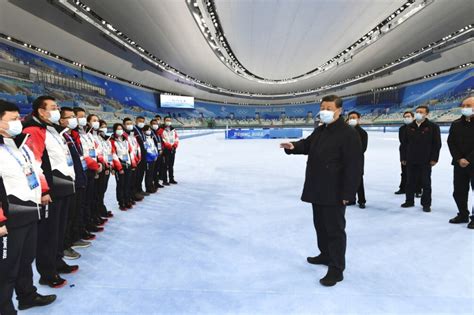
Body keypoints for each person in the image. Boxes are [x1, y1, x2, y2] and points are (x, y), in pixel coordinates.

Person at [280, 95, 363, 287]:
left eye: (328, 107)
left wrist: (348, 194)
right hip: (318, 188)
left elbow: (354, 167)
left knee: (335, 230)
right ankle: (325, 254)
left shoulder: (348, 134)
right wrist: (293, 147)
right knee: (321, 226)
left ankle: (336, 268)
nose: (324, 110)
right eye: (322, 107)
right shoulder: (321, 129)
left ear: (339, 110)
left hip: (335, 191)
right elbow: (307, 144)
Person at [0, 100, 56, 314]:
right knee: (7, 267)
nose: (18, 123)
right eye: (12, 120)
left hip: (30, 209)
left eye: (18, 118)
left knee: (25, 259)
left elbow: (36, 169)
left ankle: (27, 295)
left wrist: (43, 190)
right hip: (11, 215)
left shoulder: (19, 144)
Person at [23, 96, 78, 288]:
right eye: (53, 107)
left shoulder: (52, 129)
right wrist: (45, 190)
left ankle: (57, 261)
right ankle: (47, 272)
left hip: (63, 186)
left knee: (59, 230)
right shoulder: (33, 130)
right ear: (41, 111)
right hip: (51, 190)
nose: (57, 110)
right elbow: (34, 163)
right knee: (48, 233)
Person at [59, 108, 90, 261]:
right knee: (68, 216)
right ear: (61, 120)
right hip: (68, 182)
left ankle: (73, 238)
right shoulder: (62, 136)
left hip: (79, 177)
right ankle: (65, 245)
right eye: (70, 117)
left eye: (74, 117)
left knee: (76, 211)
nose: (75, 120)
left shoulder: (71, 136)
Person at [400, 105, 442, 212]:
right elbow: (404, 144)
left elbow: (437, 144)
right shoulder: (409, 127)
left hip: (426, 160)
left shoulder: (433, 127)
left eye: (421, 112)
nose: (418, 113)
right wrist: (403, 157)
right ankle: (409, 201)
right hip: (411, 159)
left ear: (426, 114)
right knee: (410, 181)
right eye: (417, 111)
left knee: (426, 183)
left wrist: (434, 158)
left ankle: (426, 204)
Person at [73, 107, 103, 235]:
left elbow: (95, 149)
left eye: (84, 117)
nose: (83, 119)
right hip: (83, 169)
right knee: (82, 202)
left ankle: (88, 222)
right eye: (80, 117)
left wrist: (98, 162)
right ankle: (82, 227)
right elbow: (80, 153)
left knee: (89, 198)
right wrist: (93, 163)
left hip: (92, 169)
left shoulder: (88, 133)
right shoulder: (74, 134)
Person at [447, 96, 474, 229]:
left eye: (468, 106)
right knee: (459, 191)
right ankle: (463, 214)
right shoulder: (456, 123)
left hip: (472, 163)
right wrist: (459, 159)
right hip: (459, 164)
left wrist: (468, 159)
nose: (465, 108)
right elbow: (451, 142)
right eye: (463, 106)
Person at [395, 111, 422, 197]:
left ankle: (418, 190)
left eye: (408, 116)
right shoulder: (402, 129)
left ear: (413, 117)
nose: (406, 118)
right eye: (405, 117)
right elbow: (402, 142)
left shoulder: (418, 127)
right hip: (405, 153)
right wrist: (403, 157)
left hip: (416, 154)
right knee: (404, 172)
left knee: (417, 173)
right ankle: (403, 188)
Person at [346, 111, 368, 209]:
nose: (352, 119)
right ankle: (351, 199)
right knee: (347, 180)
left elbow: (363, 148)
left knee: (359, 181)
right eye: (350, 117)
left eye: (354, 117)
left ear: (358, 119)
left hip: (357, 160)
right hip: (345, 160)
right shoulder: (345, 131)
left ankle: (362, 200)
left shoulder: (363, 133)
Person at [110, 124, 133, 210]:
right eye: (118, 129)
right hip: (120, 166)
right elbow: (113, 154)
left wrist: (132, 163)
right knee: (121, 185)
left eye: (121, 129)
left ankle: (127, 199)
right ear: (114, 130)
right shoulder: (112, 141)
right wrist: (119, 168)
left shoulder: (125, 140)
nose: (120, 130)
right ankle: (121, 202)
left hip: (128, 164)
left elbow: (129, 152)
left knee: (127, 184)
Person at [123, 118, 144, 201]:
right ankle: (127, 197)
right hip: (128, 160)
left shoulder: (132, 134)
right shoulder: (124, 135)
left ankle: (133, 194)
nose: (129, 125)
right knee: (128, 181)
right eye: (127, 123)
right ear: (124, 125)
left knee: (133, 179)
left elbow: (136, 147)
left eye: (130, 123)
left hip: (135, 159)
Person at [97, 120, 113, 218]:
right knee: (99, 191)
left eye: (105, 126)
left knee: (103, 190)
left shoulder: (107, 140)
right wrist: (105, 165)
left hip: (107, 167)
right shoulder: (96, 139)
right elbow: (99, 154)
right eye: (102, 126)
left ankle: (101, 208)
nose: (104, 128)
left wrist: (110, 165)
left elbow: (109, 153)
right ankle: (98, 210)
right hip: (101, 167)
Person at [158, 116, 179, 185]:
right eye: (167, 120)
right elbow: (161, 139)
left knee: (171, 165)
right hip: (165, 150)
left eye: (169, 120)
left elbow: (176, 138)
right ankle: (165, 180)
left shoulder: (173, 129)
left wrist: (175, 145)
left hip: (172, 150)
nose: (168, 121)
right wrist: (168, 145)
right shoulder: (161, 129)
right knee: (165, 165)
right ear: (164, 121)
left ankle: (171, 178)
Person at [134, 116, 149, 197]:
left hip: (143, 155)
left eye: (143, 121)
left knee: (141, 174)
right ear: (136, 121)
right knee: (137, 174)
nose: (141, 123)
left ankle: (140, 189)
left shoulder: (142, 131)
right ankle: (136, 191)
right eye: (140, 121)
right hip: (137, 156)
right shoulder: (134, 130)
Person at [142, 125, 159, 193]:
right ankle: (148, 187)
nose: (149, 131)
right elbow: (146, 149)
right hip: (148, 159)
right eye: (147, 130)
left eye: (149, 129)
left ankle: (151, 185)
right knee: (148, 174)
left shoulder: (151, 138)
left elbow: (154, 147)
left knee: (152, 173)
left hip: (153, 158)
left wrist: (156, 154)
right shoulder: (144, 139)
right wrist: (152, 155)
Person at [150, 118, 164, 190]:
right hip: (153, 154)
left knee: (158, 169)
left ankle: (156, 182)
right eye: (154, 124)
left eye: (156, 124)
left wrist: (161, 149)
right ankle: (152, 183)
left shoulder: (158, 133)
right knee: (153, 170)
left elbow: (160, 142)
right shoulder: (150, 133)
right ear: (151, 125)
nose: (155, 125)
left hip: (159, 153)